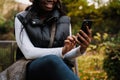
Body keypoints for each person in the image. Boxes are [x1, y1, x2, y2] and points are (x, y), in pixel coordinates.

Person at [14, 0, 92, 80]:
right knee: (52, 60)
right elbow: (28, 53)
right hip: (31, 70)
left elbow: (66, 55)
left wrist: (82, 48)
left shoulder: (65, 20)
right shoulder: (21, 18)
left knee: (58, 63)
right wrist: (62, 50)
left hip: (57, 69)